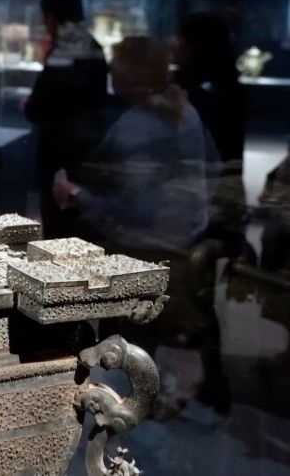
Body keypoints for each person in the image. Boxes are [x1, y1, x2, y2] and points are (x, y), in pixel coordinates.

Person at [52, 36, 228, 418]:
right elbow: (212, 173)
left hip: (151, 245)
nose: (110, 75)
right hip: (187, 238)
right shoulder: (186, 111)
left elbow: (134, 210)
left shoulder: (139, 126)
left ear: (131, 78)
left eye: (116, 69)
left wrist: (75, 194)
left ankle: (124, 400)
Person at [22, 0, 111, 239]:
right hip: (86, 150)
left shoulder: (66, 49)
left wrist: (29, 105)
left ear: (52, 17)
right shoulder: (92, 46)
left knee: (56, 228)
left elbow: (41, 106)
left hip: (59, 152)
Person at [175, 12, 249, 256]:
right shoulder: (227, 88)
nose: (176, 48)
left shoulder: (203, 93)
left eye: (182, 43)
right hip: (220, 186)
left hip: (206, 188)